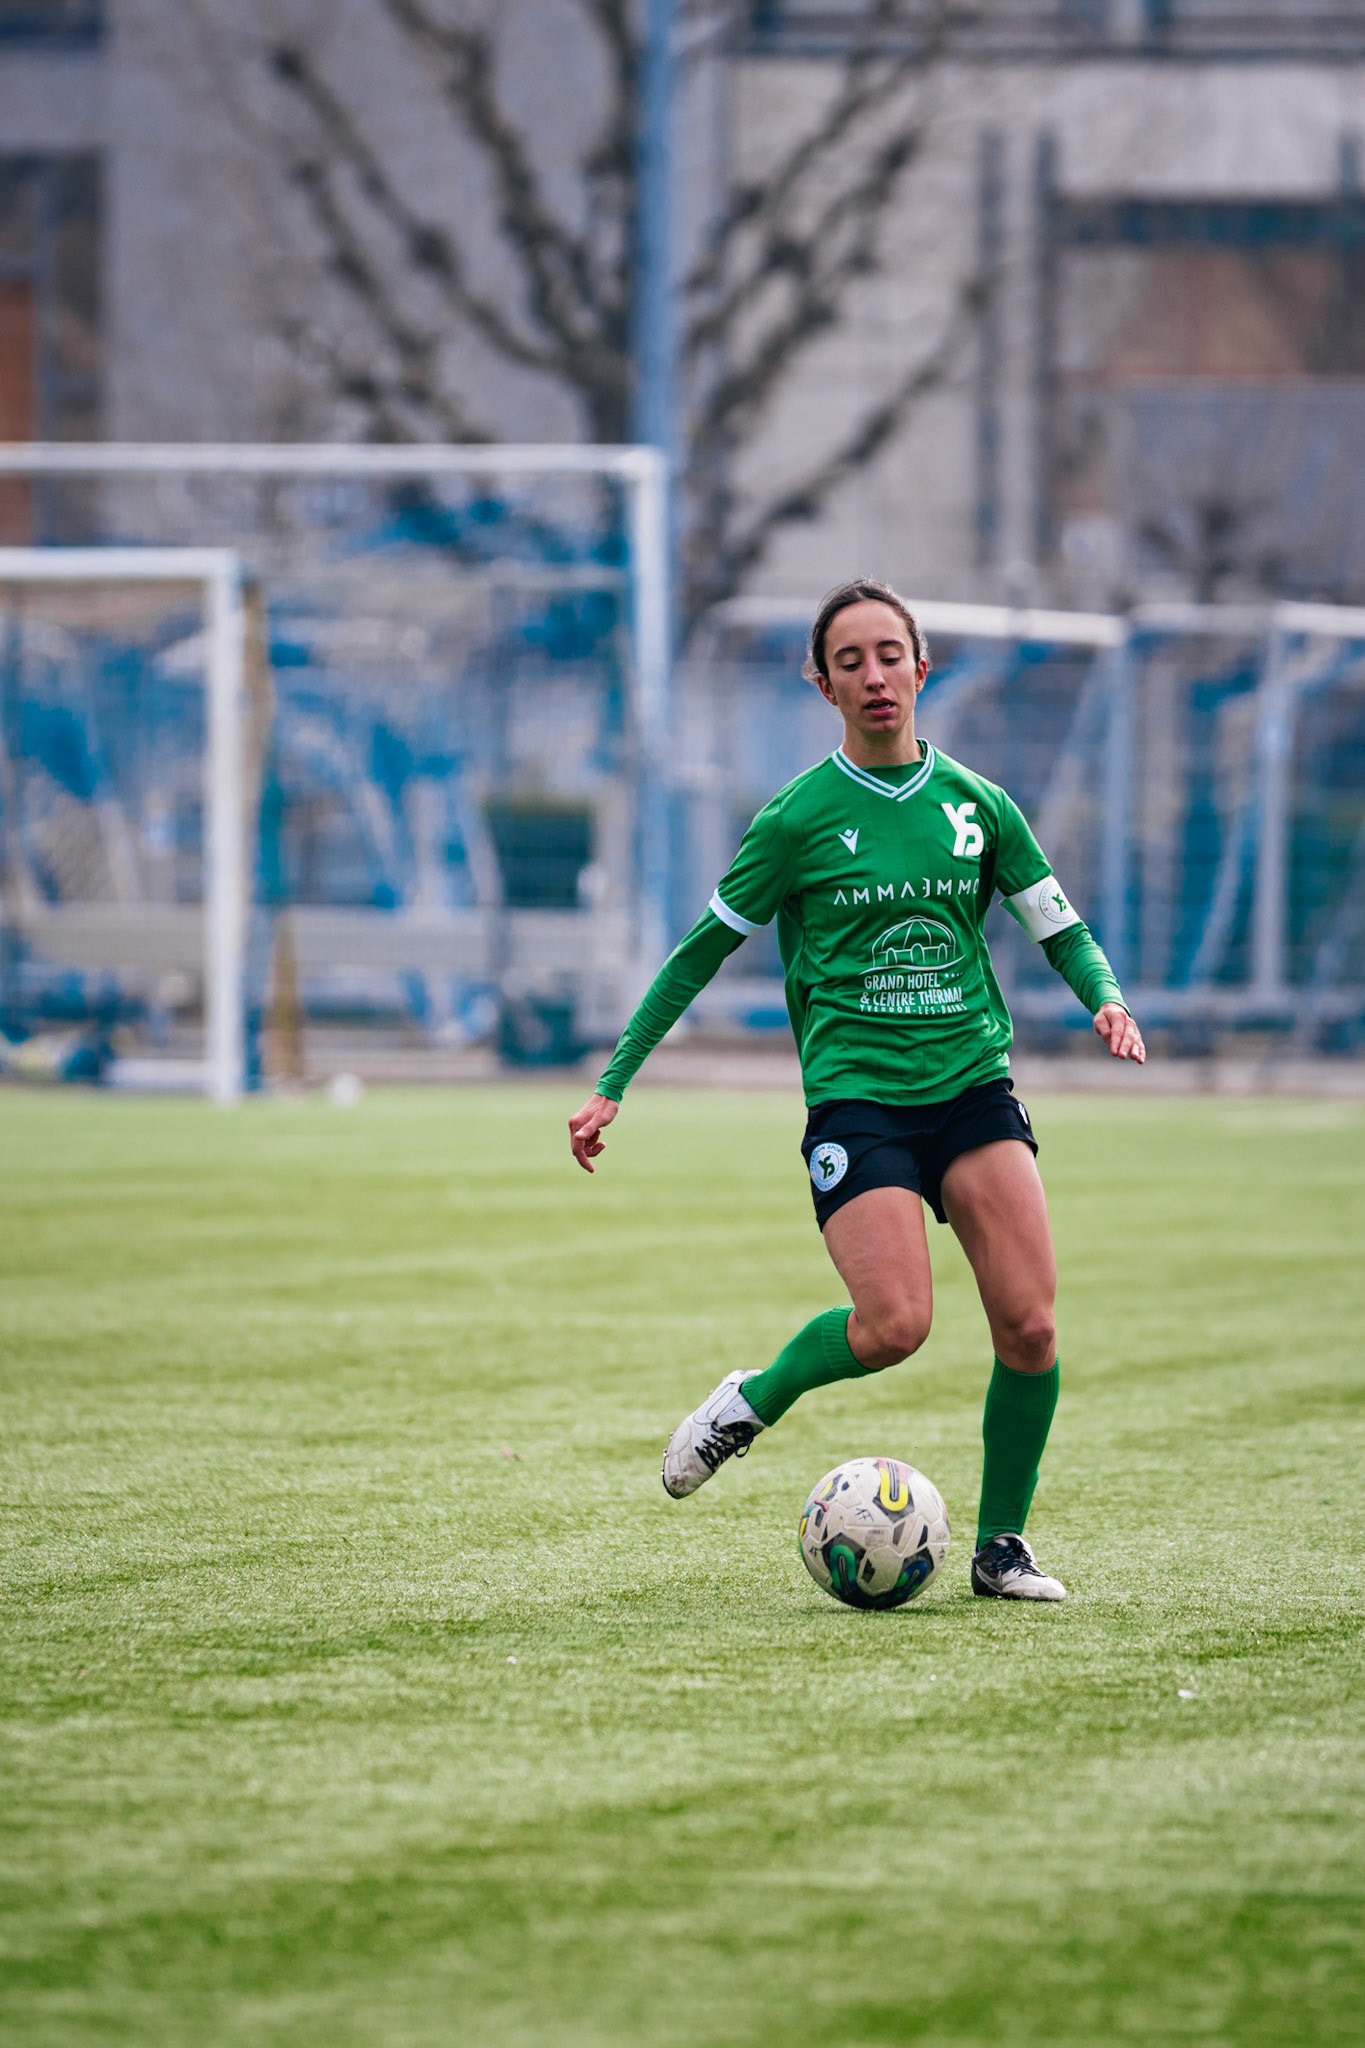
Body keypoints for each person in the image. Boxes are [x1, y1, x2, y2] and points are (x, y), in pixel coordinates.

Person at [568, 578, 1144, 1602]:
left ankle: (1001, 1546)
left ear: (923, 668)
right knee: (893, 1327)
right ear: (822, 683)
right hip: (859, 1101)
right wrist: (614, 1082)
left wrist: (1105, 998)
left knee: (1034, 1328)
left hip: (971, 1086)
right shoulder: (796, 817)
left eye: (891, 654)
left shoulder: (978, 805)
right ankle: (753, 1398)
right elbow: (698, 954)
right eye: (851, 660)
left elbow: (1059, 924)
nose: (874, 675)